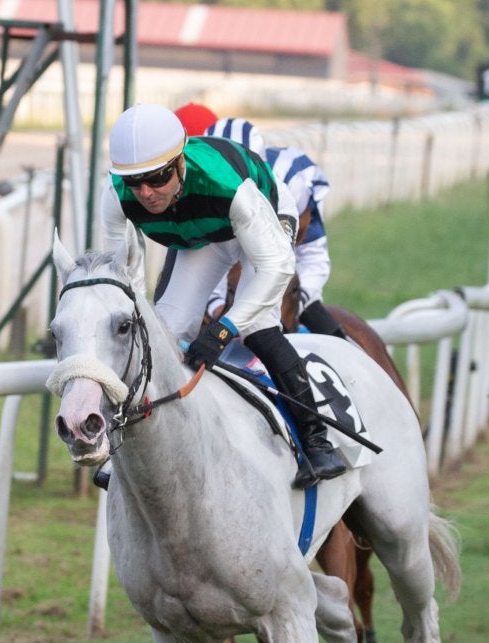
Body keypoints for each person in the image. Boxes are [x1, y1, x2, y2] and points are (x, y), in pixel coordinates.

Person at [101, 102, 346, 489]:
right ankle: (129, 447)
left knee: (259, 327)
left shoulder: (226, 185)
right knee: (163, 330)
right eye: (135, 182)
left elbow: (276, 268)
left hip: (261, 218)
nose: (146, 193)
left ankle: (317, 442)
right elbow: (123, 280)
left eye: (158, 177)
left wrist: (224, 328)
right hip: (207, 233)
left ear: (179, 162)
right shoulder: (116, 196)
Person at [173, 102, 347, 340]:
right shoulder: (196, 189)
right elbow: (205, 263)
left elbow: (312, 257)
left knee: (312, 320)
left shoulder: (294, 184)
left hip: (284, 266)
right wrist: (218, 310)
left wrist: (299, 301)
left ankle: (347, 352)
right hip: (228, 270)